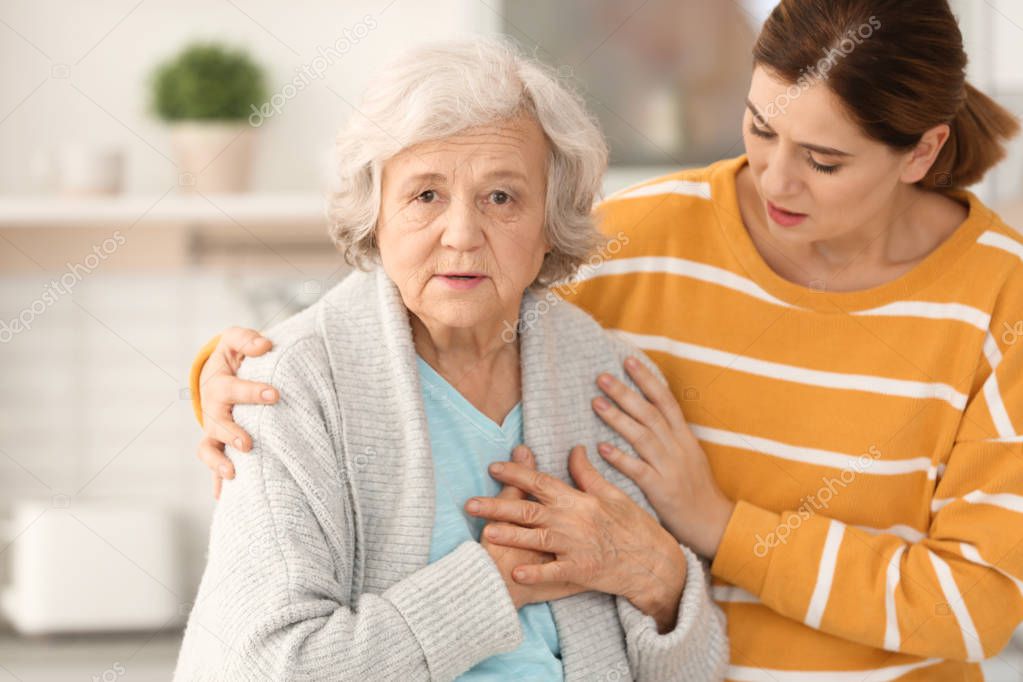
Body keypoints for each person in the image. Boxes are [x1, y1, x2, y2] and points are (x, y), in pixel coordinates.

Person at [189, 1, 1023, 678]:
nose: (773, 179)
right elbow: (442, 298)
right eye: (760, 128)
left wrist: (712, 528)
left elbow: (975, 602)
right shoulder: (648, 239)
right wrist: (232, 376)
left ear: (921, 153)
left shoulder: (1002, 301)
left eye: (823, 160)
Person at [173, 38, 727, 681]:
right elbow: (271, 669)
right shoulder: (286, 389)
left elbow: (693, 673)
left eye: (501, 198)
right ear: (376, 214)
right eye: (426, 195)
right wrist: (493, 585)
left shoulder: (610, 383)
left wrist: (661, 580)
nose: (462, 235)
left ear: (549, 223)